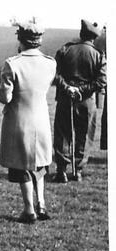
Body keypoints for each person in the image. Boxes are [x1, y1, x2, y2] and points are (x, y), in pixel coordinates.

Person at [0, 22, 56, 224]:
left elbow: (5, 97)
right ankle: (41, 204)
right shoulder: (50, 63)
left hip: (19, 120)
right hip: (41, 119)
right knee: (39, 164)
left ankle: (29, 209)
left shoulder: (13, 63)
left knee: (22, 166)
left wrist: (0, 89)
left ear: (20, 39)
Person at [53, 20, 107, 182]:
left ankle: (62, 170)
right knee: (84, 135)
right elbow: (102, 81)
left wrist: (68, 88)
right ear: (94, 37)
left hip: (65, 98)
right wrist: (82, 90)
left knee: (63, 134)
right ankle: (78, 171)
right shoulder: (98, 55)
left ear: (81, 34)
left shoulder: (65, 49)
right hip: (86, 101)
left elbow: (54, 74)